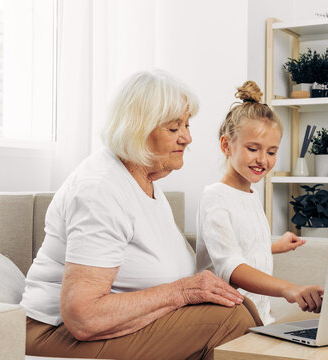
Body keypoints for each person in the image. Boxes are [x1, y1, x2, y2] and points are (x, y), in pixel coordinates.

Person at [20, 71, 262, 360]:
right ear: (137, 130)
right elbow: (83, 317)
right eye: (174, 129)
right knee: (230, 321)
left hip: (101, 330)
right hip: (54, 335)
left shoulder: (148, 185)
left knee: (240, 306)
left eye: (186, 125)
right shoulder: (100, 190)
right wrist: (182, 292)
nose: (187, 138)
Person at [196, 81, 324, 324]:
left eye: (272, 152)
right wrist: (289, 289)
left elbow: (241, 244)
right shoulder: (215, 198)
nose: (262, 160)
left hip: (259, 315)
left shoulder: (250, 194)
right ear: (226, 145)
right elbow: (231, 267)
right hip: (225, 320)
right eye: (253, 148)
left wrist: (274, 245)